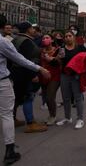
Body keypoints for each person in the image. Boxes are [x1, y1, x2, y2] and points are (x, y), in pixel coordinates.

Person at [0, 15, 50, 165]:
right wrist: (39, 69)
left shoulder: (13, 40)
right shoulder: (4, 42)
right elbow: (20, 59)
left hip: (13, 75)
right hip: (4, 80)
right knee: (7, 114)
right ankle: (9, 151)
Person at [10, 22, 48, 133]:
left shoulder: (15, 40)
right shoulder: (26, 42)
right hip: (25, 73)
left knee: (17, 97)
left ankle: (13, 119)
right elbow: (27, 60)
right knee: (28, 96)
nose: (34, 30)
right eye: (32, 28)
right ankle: (30, 123)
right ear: (27, 30)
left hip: (15, 72)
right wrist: (33, 74)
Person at [56, 30, 86, 129]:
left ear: (74, 37)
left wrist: (81, 71)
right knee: (65, 98)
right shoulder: (61, 49)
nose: (68, 38)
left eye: (70, 36)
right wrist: (57, 58)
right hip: (64, 75)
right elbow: (57, 62)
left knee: (78, 98)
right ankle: (67, 117)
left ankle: (80, 119)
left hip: (76, 76)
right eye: (66, 36)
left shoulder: (80, 48)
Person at [39, 34, 62, 126]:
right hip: (43, 76)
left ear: (52, 40)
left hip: (55, 76)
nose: (45, 39)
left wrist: (51, 59)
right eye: (43, 38)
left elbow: (60, 61)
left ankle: (53, 116)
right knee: (46, 98)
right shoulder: (40, 51)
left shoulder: (57, 50)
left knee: (50, 97)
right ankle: (50, 114)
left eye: (47, 38)